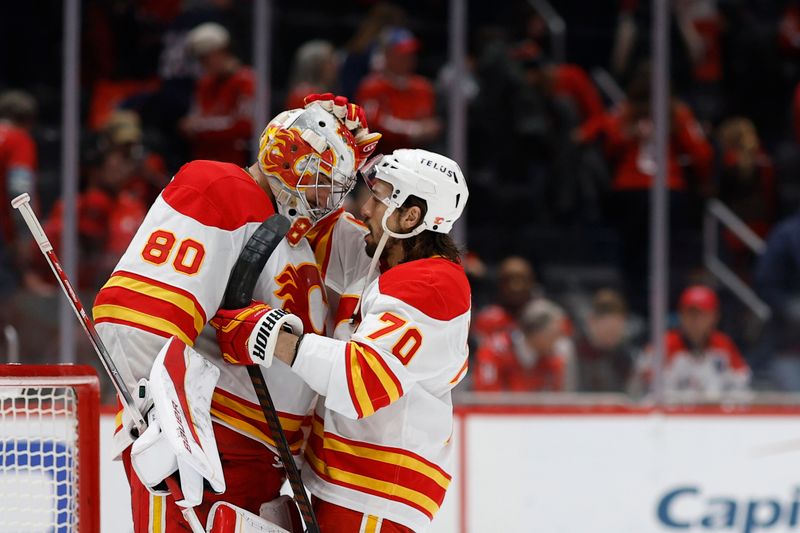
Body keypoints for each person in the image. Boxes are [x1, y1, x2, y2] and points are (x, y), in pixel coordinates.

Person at [93, 97, 380, 531]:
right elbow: (136, 314)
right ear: (283, 157)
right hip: (207, 446)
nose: (327, 196)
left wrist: (405, 208)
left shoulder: (295, 229)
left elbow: (382, 255)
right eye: (320, 178)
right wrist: (164, 425)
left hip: (263, 459)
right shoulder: (222, 186)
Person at [211, 148, 470, 532]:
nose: (365, 208)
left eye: (380, 198)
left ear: (411, 216)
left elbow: (362, 381)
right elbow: (311, 215)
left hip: (376, 494)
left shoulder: (433, 284)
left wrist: (268, 335)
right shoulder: (377, 261)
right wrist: (325, 143)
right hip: (346, 483)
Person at [630, 285, 750, 399]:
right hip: (673, 416)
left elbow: (741, 384)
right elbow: (643, 388)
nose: (695, 320)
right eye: (690, 313)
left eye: (701, 314)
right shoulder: (663, 345)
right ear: (681, 315)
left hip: (714, 416)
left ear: (714, 316)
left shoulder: (724, 345)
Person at [355, 27, 441, 154]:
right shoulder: (371, 87)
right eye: (401, 54)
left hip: (417, 158)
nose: (408, 58)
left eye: (411, 54)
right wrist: (413, 130)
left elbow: (430, 123)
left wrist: (426, 129)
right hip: (381, 158)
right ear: (387, 54)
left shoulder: (423, 87)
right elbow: (374, 126)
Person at [179, 22, 254, 167]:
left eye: (206, 58)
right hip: (204, 161)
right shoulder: (204, 83)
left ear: (221, 51)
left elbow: (245, 124)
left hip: (235, 163)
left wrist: (199, 127)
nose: (203, 64)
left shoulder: (246, 80)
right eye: (200, 59)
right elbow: (195, 117)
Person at [576, 288, 636, 392]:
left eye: (617, 333)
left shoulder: (625, 356)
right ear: (592, 322)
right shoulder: (572, 351)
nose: (612, 339)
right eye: (608, 332)